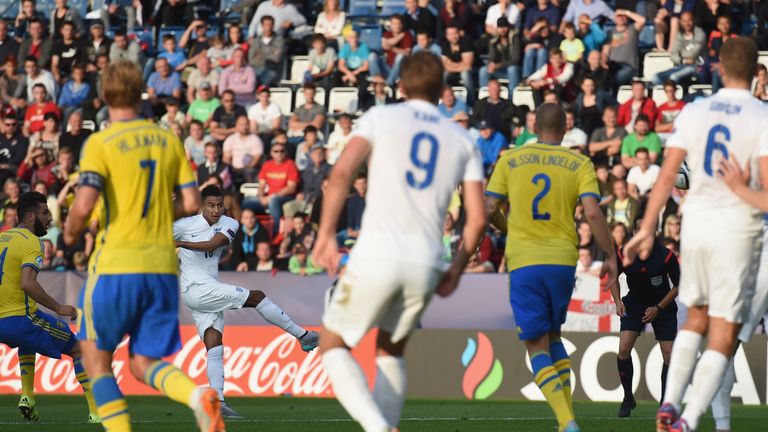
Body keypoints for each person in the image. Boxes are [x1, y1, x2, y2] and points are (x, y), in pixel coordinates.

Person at [312, 50, 485, 432]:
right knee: (391, 350)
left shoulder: (380, 117)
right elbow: (477, 217)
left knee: (331, 343)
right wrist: (456, 266)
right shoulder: (462, 139)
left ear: (400, 86)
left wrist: (325, 234)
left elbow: (340, 174)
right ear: (443, 90)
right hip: (425, 260)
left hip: (377, 252)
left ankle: (378, 427)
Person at [62, 60, 222, 432]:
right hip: (163, 269)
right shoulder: (168, 139)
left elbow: (83, 205)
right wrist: (152, 212)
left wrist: (69, 232)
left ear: (104, 95)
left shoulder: (100, 143)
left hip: (116, 265)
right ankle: (198, 397)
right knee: (143, 363)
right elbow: (190, 201)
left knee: (95, 360)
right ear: (140, 93)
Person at [623, 37, 767, 432]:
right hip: (736, 230)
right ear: (757, 72)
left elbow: (667, 175)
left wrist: (648, 228)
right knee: (723, 331)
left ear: (719, 67)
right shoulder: (761, 116)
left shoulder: (695, 109)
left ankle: (669, 403)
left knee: (694, 321)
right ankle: (687, 419)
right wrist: (739, 187)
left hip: (696, 228)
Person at [485, 103, 617, 432]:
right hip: (562, 261)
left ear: (534, 126)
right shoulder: (579, 162)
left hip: (525, 261)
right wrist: (610, 255)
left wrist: (508, 225)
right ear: (565, 128)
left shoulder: (510, 160)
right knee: (554, 336)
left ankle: (566, 420)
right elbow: (593, 214)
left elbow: (488, 208)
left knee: (535, 345)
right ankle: (566, 420)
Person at [174, 185, 319, 418]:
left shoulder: (230, 223)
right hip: (195, 289)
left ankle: (218, 402)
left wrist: (181, 244)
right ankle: (303, 336)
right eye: (211, 205)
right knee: (257, 297)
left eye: (220, 205)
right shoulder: (182, 226)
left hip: (206, 290)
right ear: (201, 206)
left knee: (214, 341)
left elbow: (213, 245)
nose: (216, 209)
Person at [0, 192, 98, 422]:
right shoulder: (32, 241)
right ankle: (97, 412)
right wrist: (58, 307)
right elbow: (27, 283)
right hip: (20, 318)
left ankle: (27, 397)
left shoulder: (2, 237)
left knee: (28, 342)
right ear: (31, 215)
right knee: (79, 349)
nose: (50, 219)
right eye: (45, 213)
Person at [613, 228, 680, 417]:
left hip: (662, 305)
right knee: (624, 349)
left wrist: (658, 308)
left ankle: (664, 403)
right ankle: (628, 398)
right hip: (634, 303)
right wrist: (618, 302)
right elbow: (612, 277)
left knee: (669, 355)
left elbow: (678, 285)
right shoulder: (624, 253)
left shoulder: (665, 255)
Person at [651, 12, 706, 86]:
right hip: (679, 66)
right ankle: (668, 95)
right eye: (684, 21)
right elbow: (673, 55)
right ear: (681, 22)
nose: (687, 23)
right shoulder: (679, 35)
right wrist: (684, 60)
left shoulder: (700, 34)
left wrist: (680, 53)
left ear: (694, 21)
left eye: (689, 20)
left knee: (674, 77)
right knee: (655, 77)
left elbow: (693, 54)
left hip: (695, 67)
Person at [602, 9, 646, 89]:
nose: (621, 18)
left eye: (623, 16)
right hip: (613, 65)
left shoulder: (632, 29)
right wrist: (603, 62)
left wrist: (626, 12)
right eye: (618, 16)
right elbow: (605, 51)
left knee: (617, 78)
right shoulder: (610, 33)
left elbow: (642, 20)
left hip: (629, 67)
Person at [480, 18, 523, 95]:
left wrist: (498, 65)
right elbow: (491, 57)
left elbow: (515, 60)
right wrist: (491, 64)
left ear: (508, 27)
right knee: (483, 70)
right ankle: (486, 97)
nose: (502, 29)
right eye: (500, 27)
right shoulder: (494, 40)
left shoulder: (515, 38)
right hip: (499, 70)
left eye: (504, 27)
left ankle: (511, 97)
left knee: (512, 69)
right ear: (497, 28)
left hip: (515, 70)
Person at [370, 14, 413, 87]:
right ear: (391, 24)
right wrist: (399, 37)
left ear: (402, 24)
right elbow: (384, 45)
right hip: (387, 67)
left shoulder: (407, 35)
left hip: (400, 70)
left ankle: (389, 83)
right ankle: (377, 80)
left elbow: (407, 53)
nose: (397, 26)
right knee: (372, 56)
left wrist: (391, 48)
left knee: (400, 56)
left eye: (399, 23)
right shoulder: (387, 34)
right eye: (395, 23)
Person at [222, 115, 264, 184]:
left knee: (249, 172)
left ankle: (249, 193)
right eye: (241, 125)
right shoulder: (230, 139)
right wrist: (231, 168)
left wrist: (245, 168)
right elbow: (226, 158)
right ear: (236, 125)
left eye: (246, 124)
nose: (244, 127)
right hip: (233, 168)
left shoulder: (255, 139)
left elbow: (256, 159)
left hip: (249, 168)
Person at [248, 15, 286, 87]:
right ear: (262, 26)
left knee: (264, 77)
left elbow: (276, 59)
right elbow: (251, 61)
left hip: (273, 70)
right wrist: (271, 53)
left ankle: (258, 89)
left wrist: (260, 55)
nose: (268, 27)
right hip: (257, 70)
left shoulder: (280, 40)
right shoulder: (256, 41)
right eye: (266, 25)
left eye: (270, 25)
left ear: (273, 25)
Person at [440, 25, 475, 103]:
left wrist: (450, 64)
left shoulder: (466, 42)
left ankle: (471, 103)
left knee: (465, 74)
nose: (453, 36)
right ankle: (441, 101)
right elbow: (444, 66)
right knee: (443, 74)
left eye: (455, 33)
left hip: (473, 70)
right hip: (453, 71)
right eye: (450, 34)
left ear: (459, 33)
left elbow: (468, 66)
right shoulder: (444, 45)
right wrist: (460, 64)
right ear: (447, 36)